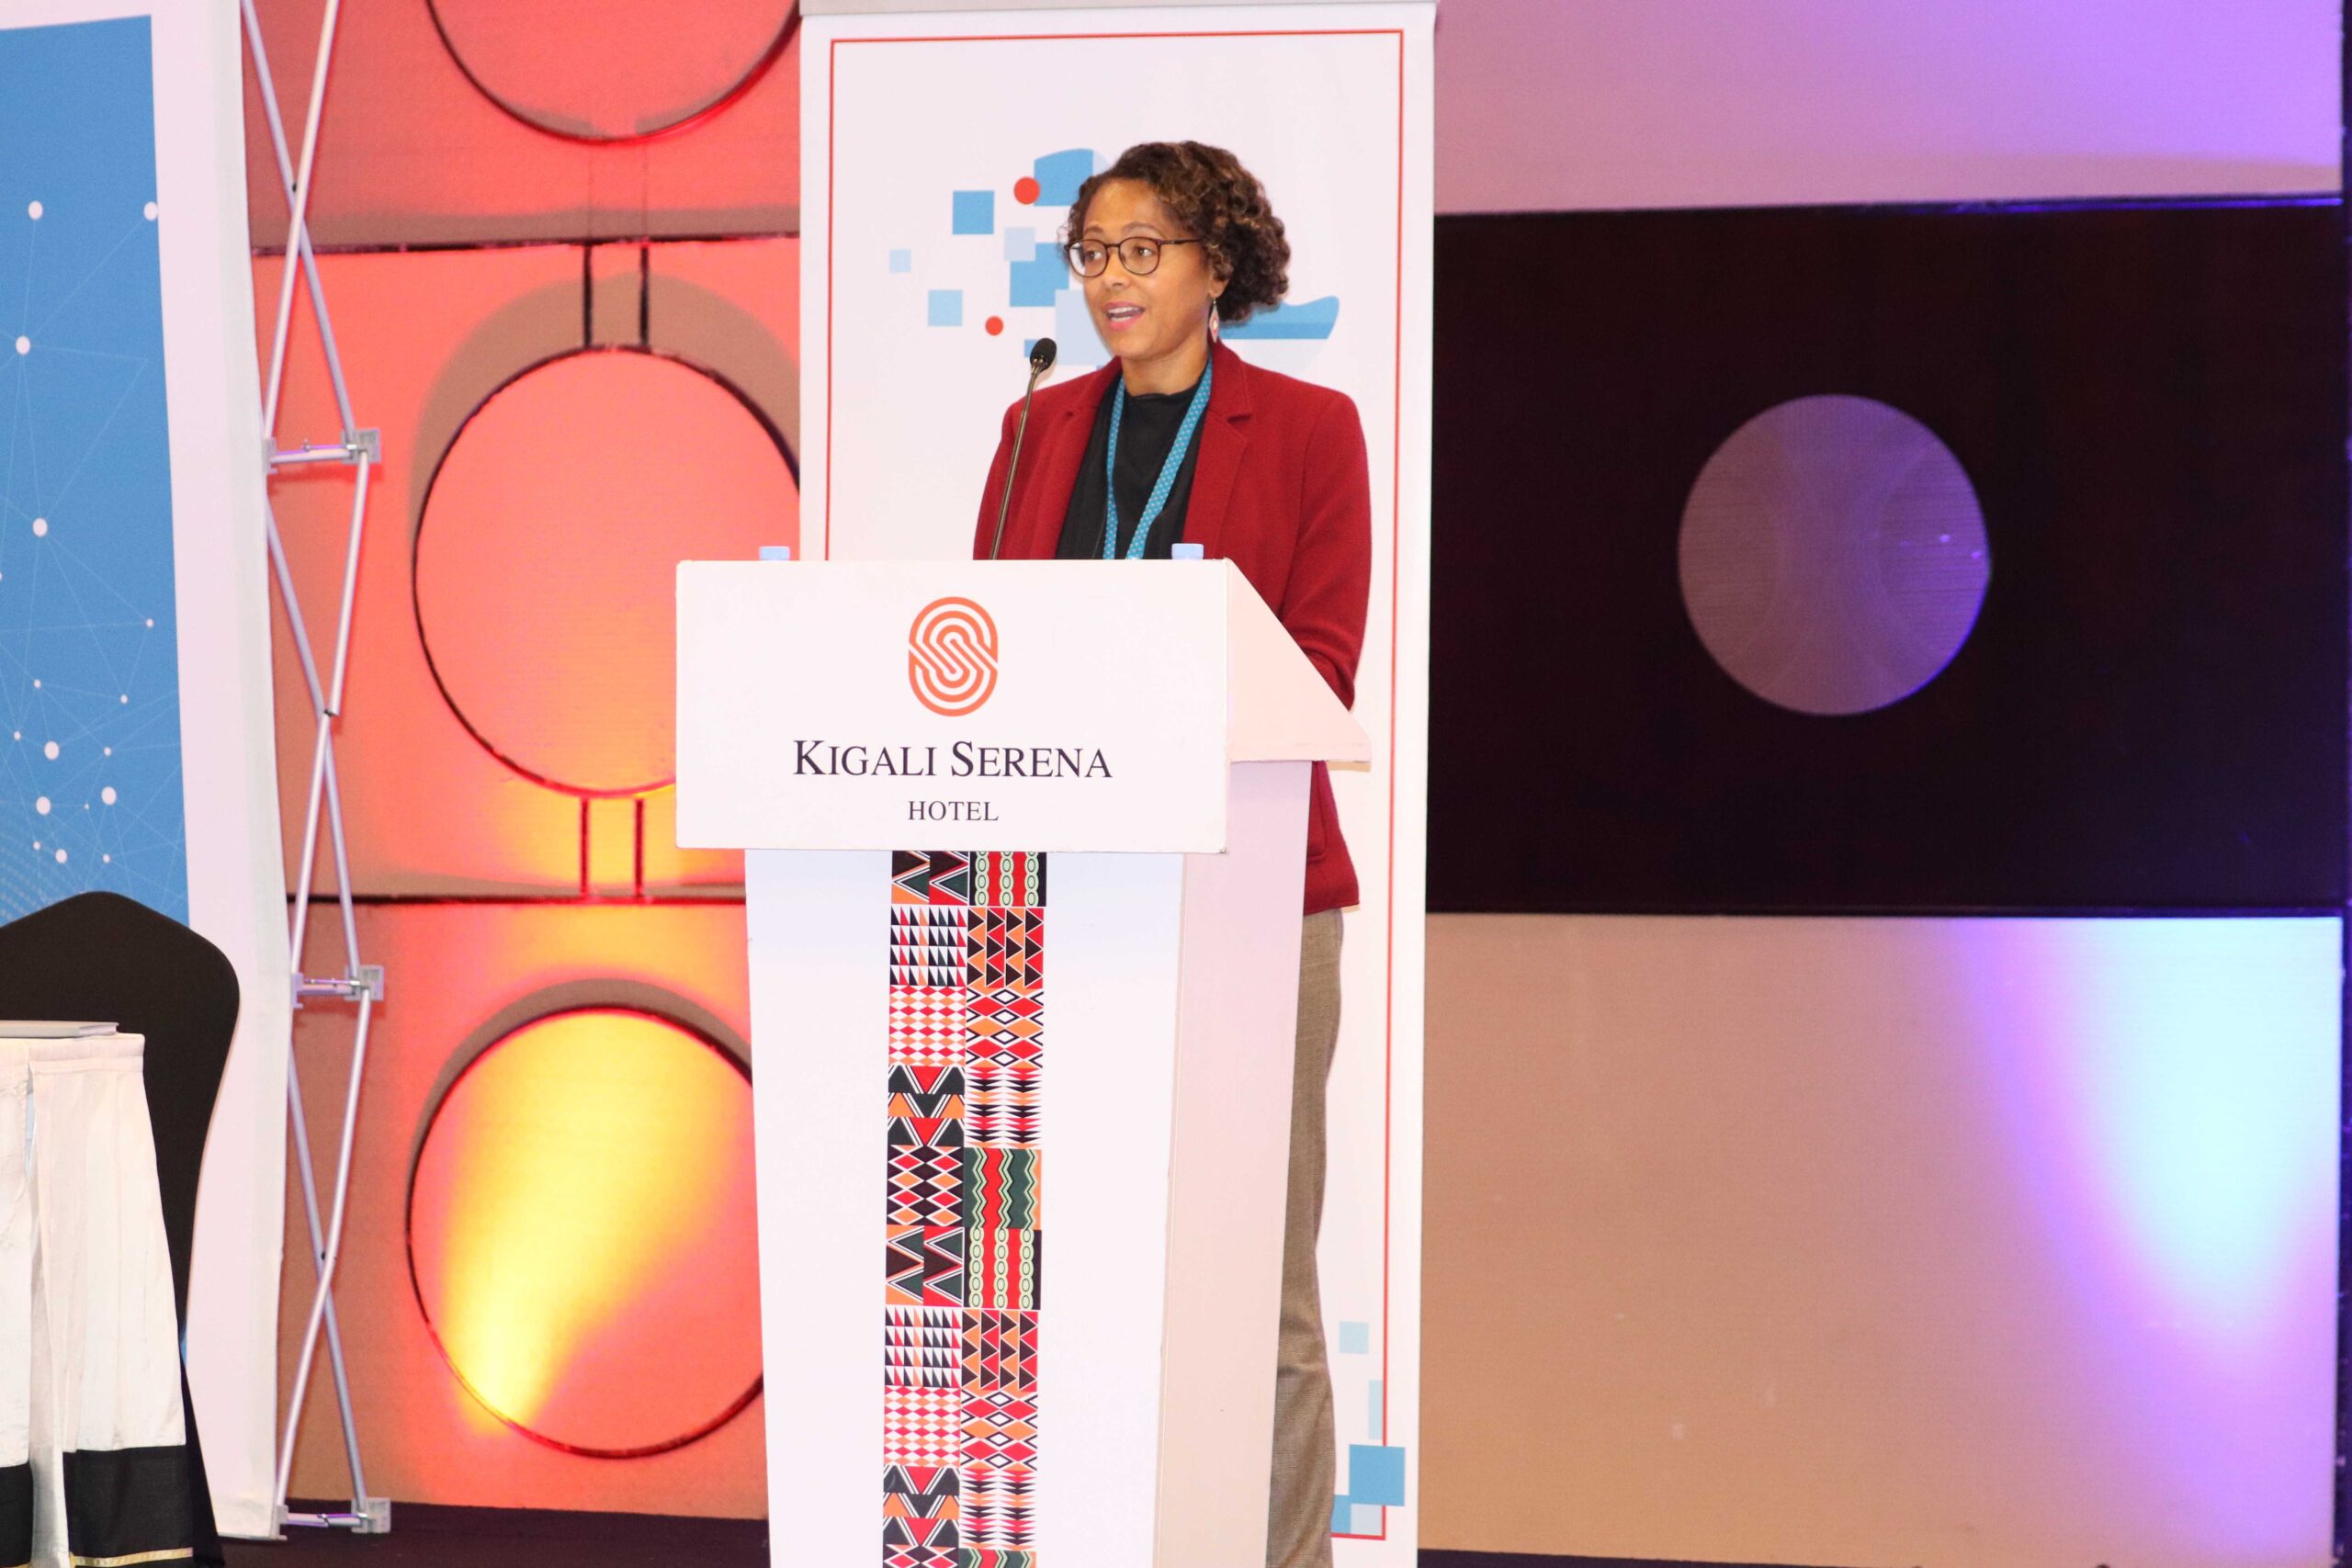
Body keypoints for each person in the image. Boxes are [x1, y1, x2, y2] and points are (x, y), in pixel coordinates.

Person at [970, 140, 1371, 1568]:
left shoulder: (1310, 428)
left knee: (1262, 1282)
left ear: (1218, 264)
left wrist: (1143, 698)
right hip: (1070, 904)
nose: (1111, 279)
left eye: (1143, 249)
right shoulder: (1035, 429)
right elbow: (992, 655)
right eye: (1093, 252)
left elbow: (1319, 664)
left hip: (1251, 895)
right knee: (1069, 1266)